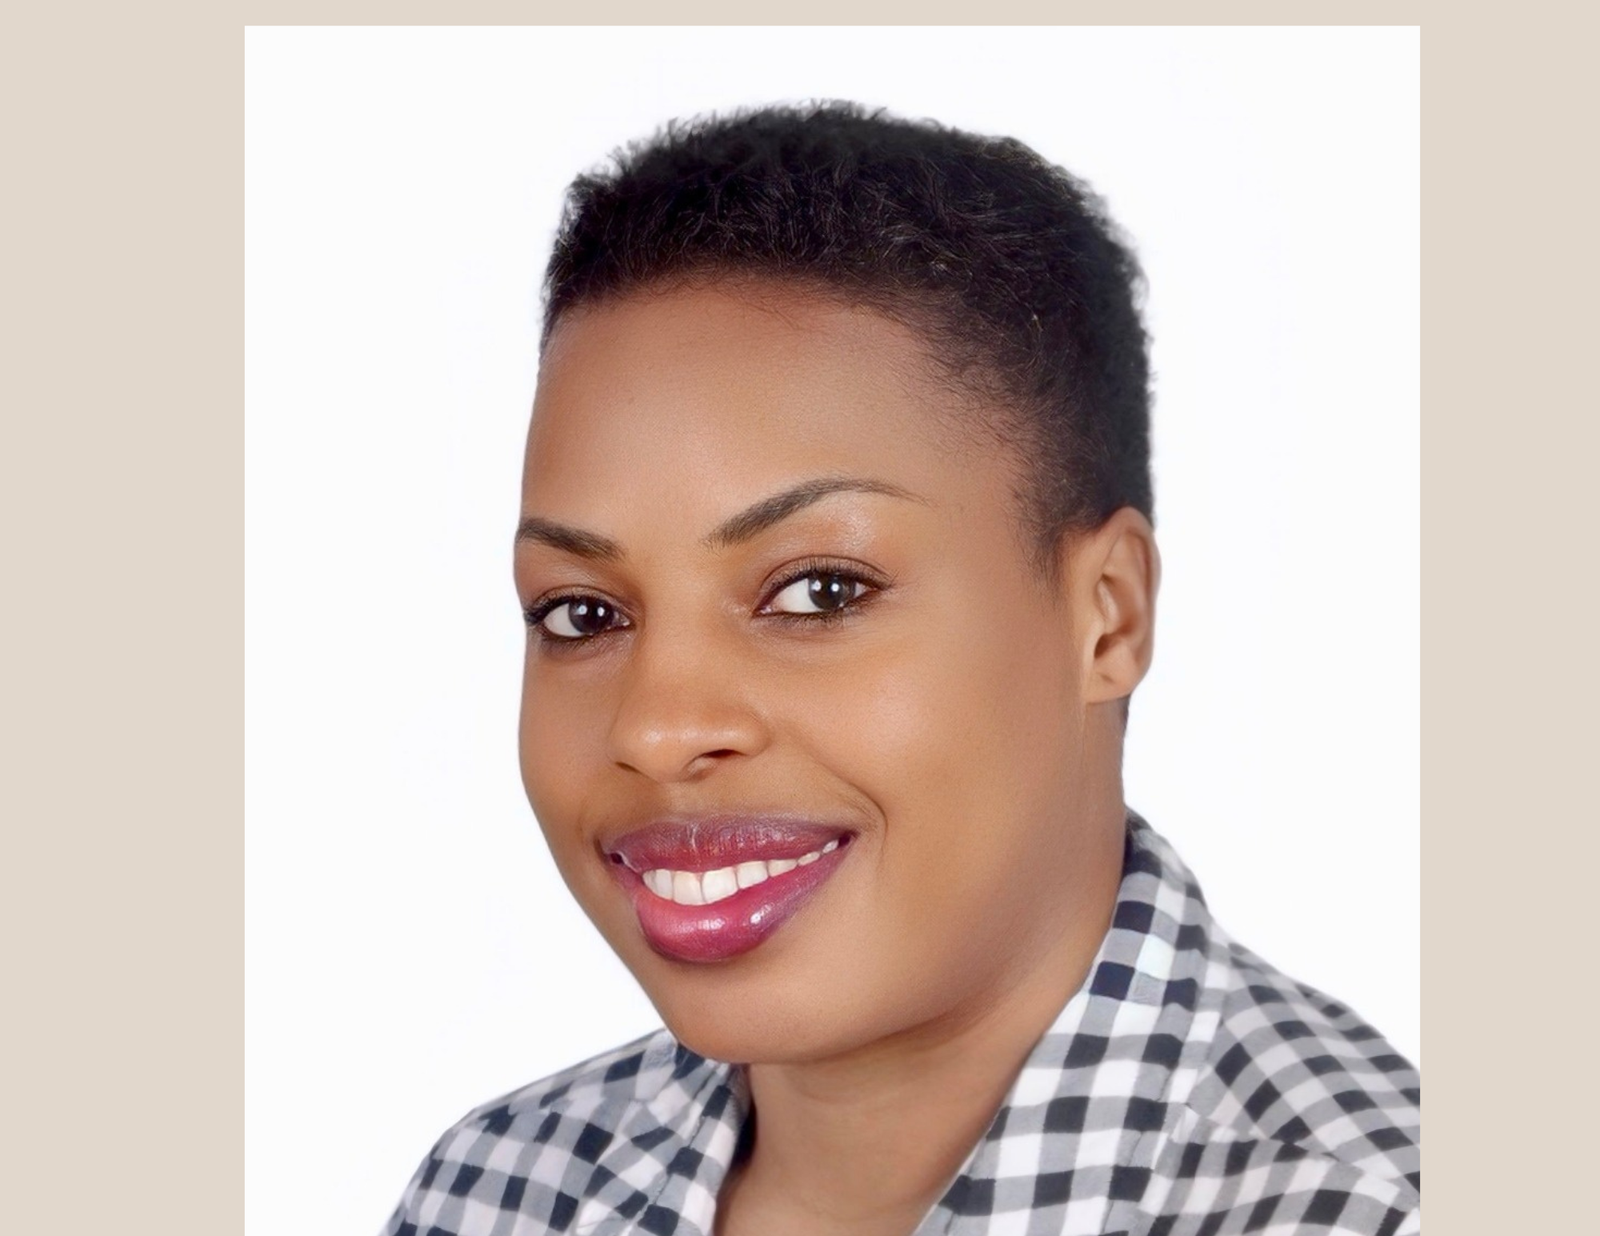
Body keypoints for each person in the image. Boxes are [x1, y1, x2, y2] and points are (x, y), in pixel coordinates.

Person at [381, 102, 1419, 1236]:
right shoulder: (497, 1192)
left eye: (820, 591)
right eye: (582, 613)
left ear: (1107, 618)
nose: (658, 729)